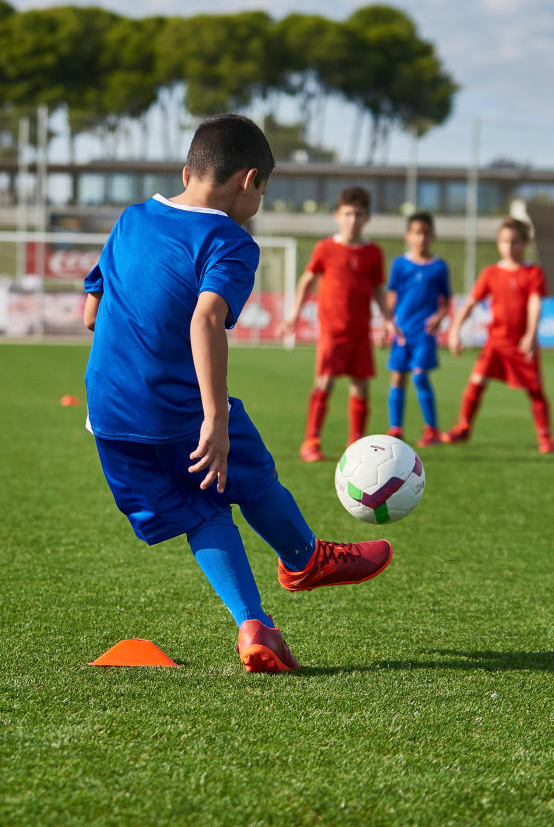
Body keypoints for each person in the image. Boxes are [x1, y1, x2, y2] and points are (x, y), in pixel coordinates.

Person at [83, 116, 392, 673]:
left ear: (187, 172)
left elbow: (91, 309)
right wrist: (214, 419)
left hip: (108, 414)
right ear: (250, 181)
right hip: (177, 406)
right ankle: (305, 559)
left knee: (200, 511)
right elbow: (206, 319)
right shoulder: (230, 240)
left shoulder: (131, 220)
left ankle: (255, 627)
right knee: (249, 476)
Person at [277, 186, 392, 463]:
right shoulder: (325, 248)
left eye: (359, 214)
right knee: (325, 382)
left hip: (360, 331)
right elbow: (307, 280)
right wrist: (294, 314)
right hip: (332, 330)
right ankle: (311, 440)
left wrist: (387, 319)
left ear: (367, 218)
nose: (353, 219)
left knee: (362, 386)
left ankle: (356, 445)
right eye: (348, 214)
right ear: (337, 216)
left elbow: (378, 288)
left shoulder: (373, 252)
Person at [442, 217, 554, 453]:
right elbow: (471, 303)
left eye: (515, 242)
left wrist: (530, 334)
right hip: (496, 341)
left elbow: (535, 304)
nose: (509, 246)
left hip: (523, 343)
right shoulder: (491, 272)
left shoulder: (533, 272)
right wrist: (454, 330)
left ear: (525, 243)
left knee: (535, 390)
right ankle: (463, 427)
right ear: (498, 243)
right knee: (476, 381)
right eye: (504, 241)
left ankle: (545, 438)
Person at [385, 212, 451, 447]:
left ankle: (432, 429)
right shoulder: (400, 264)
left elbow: (446, 300)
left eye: (425, 233)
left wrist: (440, 316)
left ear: (432, 236)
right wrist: (387, 324)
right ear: (408, 236)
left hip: (424, 333)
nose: (421, 238)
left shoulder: (439, 267)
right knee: (398, 377)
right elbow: (392, 296)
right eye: (416, 233)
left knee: (421, 376)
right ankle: (396, 428)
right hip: (402, 331)